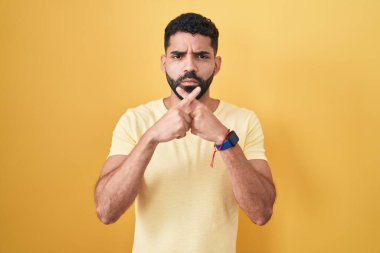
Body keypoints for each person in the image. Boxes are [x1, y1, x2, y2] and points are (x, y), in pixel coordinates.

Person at [94, 12, 276, 253]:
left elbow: (261, 212)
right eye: (178, 56)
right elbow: (106, 211)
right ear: (164, 63)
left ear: (216, 64)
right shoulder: (135, 120)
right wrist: (151, 137)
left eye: (201, 56)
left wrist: (224, 139)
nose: (189, 66)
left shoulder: (243, 121)